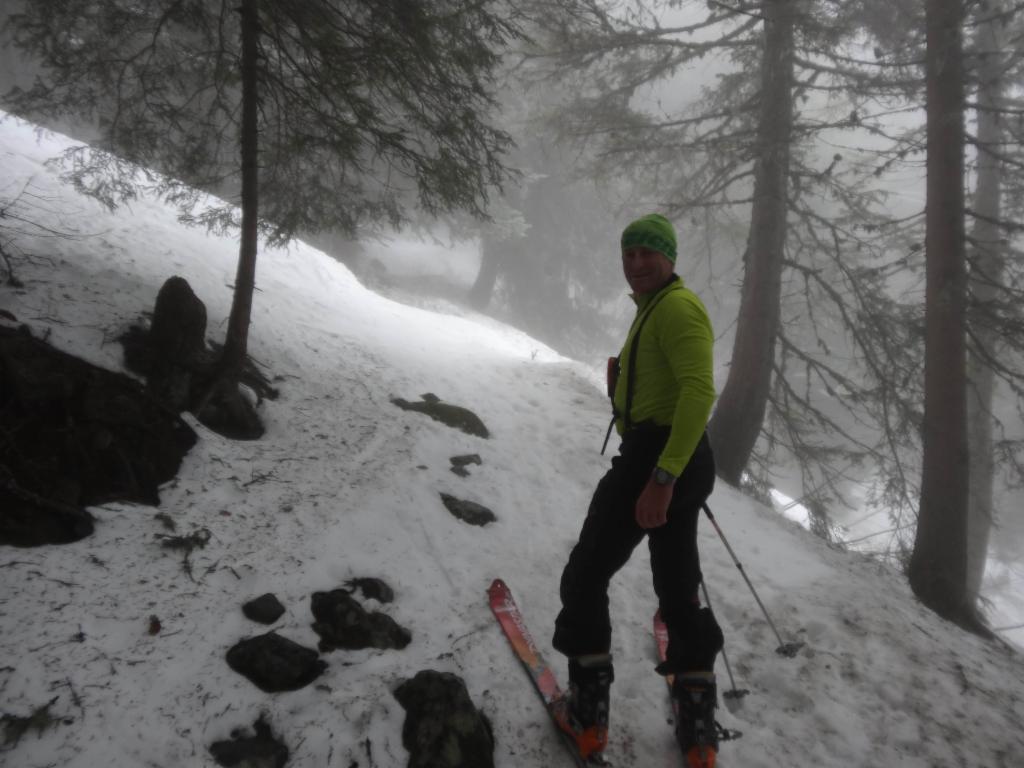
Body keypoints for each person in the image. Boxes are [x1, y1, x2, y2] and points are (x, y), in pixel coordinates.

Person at [553, 213, 723, 767]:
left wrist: (662, 479)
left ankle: (587, 712)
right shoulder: (653, 309)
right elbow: (673, 393)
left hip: (661, 460)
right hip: (669, 452)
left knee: (585, 576)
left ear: (670, 257)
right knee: (677, 587)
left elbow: (699, 393)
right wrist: (622, 393)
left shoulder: (677, 308)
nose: (637, 263)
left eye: (649, 252)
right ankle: (698, 727)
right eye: (629, 254)